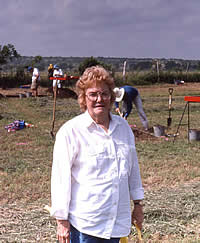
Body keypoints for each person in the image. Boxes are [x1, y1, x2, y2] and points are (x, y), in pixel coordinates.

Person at [51, 66, 144, 243]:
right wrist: (61, 220)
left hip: (116, 223)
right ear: (83, 98)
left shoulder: (123, 128)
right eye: (93, 94)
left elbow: (133, 169)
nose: (99, 99)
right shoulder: (71, 131)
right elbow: (60, 179)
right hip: (86, 225)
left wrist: (138, 204)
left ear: (112, 97)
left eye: (104, 94)